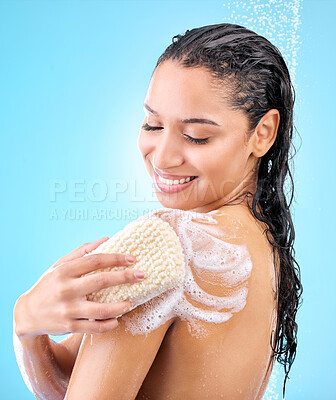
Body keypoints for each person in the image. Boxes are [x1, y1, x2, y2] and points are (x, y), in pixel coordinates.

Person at [13, 22, 303, 399]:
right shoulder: (266, 243)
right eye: (152, 124)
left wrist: (23, 321)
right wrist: (29, 329)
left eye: (197, 136)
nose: (163, 156)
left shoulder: (166, 243)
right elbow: (72, 377)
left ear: (263, 133)